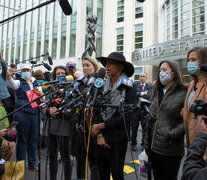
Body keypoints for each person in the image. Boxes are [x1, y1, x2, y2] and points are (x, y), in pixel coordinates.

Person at [91, 52, 136, 180]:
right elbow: (96, 110)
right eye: (106, 64)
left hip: (117, 138)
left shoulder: (129, 87)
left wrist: (102, 125)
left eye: (111, 63)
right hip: (100, 138)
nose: (107, 66)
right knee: (102, 174)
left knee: (117, 175)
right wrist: (99, 135)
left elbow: (126, 117)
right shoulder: (101, 85)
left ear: (121, 66)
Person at [144, 60, 187, 180]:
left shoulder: (184, 92)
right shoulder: (157, 90)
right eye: (160, 70)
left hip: (170, 149)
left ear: (173, 73)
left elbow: (188, 120)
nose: (161, 73)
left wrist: (171, 134)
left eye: (165, 70)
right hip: (153, 148)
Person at [7, 63, 44, 171]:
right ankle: (20, 165)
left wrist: (41, 94)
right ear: (21, 73)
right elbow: (12, 83)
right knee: (22, 140)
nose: (26, 72)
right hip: (22, 113)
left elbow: (42, 99)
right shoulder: (19, 83)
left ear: (31, 72)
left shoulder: (36, 83)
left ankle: (32, 163)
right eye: (23, 70)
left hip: (34, 113)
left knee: (33, 139)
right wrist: (8, 76)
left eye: (27, 70)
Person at [73, 56, 100, 180]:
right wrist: (77, 122)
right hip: (80, 127)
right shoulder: (81, 83)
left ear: (95, 67)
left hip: (93, 127)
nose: (84, 68)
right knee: (80, 159)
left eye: (88, 65)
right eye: (83, 65)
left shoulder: (100, 82)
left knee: (93, 162)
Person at [47, 65, 74, 180]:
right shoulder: (52, 89)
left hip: (64, 127)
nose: (60, 76)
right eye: (57, 74)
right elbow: (45, 107)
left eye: (62, 73)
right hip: (51, 128)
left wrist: (60, 112)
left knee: (65, 157)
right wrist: (49, 111)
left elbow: (72, 110)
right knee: (52, 157)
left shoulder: (71, 89)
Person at [183, 47, 207, 153]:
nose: (189, 63)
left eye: (193, 60)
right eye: (188, 60)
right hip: (192, 140)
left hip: (203, 145)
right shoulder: (192, 84)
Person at [131, 72, 153, 151]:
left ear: (146, 78)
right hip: (136, 109)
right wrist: (143, 93)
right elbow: (134, 94)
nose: (142, 77)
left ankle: (144, 144)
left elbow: (149, 95)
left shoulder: (150, 86)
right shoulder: (135, 85)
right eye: (140, 76)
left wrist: (139, 94)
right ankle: (133, 144)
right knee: (134, 128)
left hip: (145, 110)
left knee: (145, 128)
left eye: (143, 76)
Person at [0, 52, 13, 122]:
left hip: (7, 100)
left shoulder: (2, 76)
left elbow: (4, 67)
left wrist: (1, 58)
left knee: (9, 118)